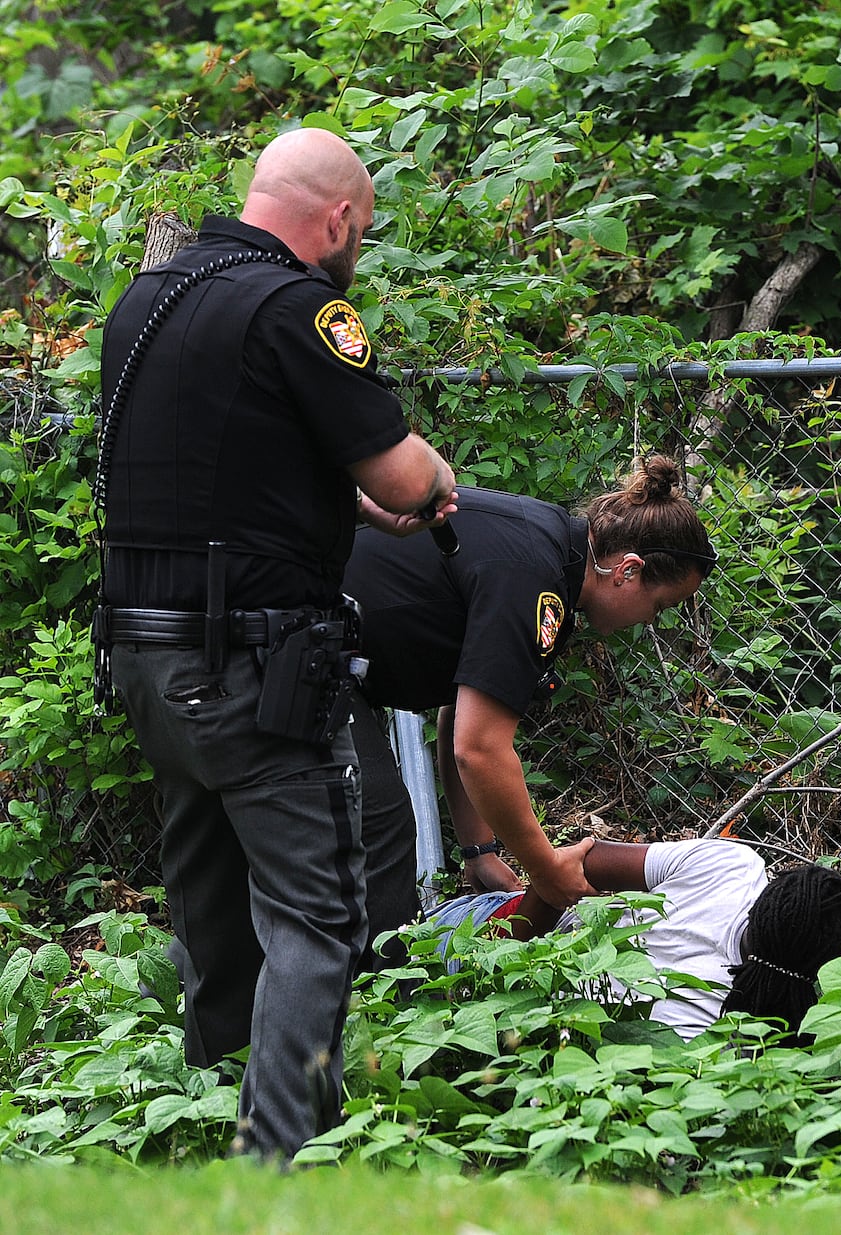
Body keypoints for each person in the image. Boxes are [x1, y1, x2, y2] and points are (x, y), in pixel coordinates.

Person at [95, 126, 457, 1159]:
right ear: (337, 220)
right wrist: (419, 480)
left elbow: (215, 461)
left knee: (207, 900)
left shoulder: (145, 301)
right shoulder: (300, 305)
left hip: (145, 656)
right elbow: (407, 477)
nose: (356, 251)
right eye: (362, 234)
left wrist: (333, 495)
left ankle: (208, 1122)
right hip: (252, 663)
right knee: (316, 914)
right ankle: (278, 1157)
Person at [342, 455, 719, 949]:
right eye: (661, 605)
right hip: (301, 648)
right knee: (378, 833)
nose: (651, 621)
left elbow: (464, 711)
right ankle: (382, 1005)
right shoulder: (536, 578)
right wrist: (546, 870)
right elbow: (479, 750)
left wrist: (479, 850)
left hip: (320, 652)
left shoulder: (552, 550)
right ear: (628, 571)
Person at [426, 838, 841, 1043]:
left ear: (771, 894)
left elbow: (577, 864)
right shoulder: (715, 1032)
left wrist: (508, 953)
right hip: (499, 985)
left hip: (480, 937)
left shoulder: (734, 866)